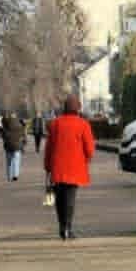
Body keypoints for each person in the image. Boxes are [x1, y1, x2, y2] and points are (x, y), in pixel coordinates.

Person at [44, 95, 95, 240]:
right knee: (70, 199)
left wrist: (47, 167)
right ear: (77, 108)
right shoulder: (83, 124)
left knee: (59, 199)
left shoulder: (55, 124)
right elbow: (90, 149)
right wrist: (86, 160)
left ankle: (62, 227)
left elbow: (49, 148)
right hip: (75, 168)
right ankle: (68, 228)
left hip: (57, 168)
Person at [1, 112, 25, 181]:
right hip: (17, 145)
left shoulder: (6, 125)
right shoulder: (20, 125)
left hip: (8, 146)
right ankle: (15, 175)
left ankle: (9, 176)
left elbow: (3, 136)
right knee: (16, 161)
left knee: (9, 162)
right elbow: (22, 135)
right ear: (16, 116)